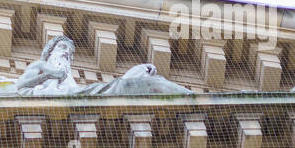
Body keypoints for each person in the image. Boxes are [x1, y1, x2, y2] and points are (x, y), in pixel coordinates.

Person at [13, 35, 191, 96]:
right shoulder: (40, 66)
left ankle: (191, 99)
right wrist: (49, 75)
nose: (66, 52)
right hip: (55, 99)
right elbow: (21, 88)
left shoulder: (68, 78)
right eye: (62, 47)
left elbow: (89, 93)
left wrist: (132, 77)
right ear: (49, 51)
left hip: (79, 97)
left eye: (69, 51)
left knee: (152, 82)